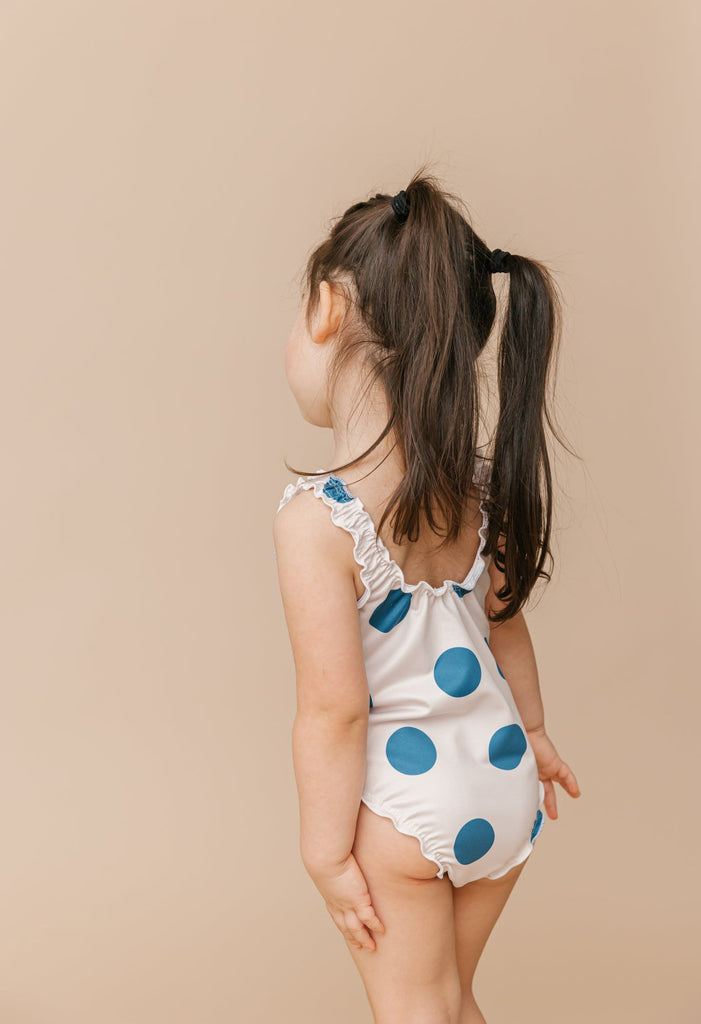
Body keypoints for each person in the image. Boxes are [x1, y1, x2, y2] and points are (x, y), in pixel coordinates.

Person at [272, 166, 581, 1024]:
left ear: (327, 308)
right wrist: (534, 733)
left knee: (415, 1010)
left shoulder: (319, 520)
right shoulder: (476, 493)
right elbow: (504, 628)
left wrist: (324, 853)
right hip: (501, 782)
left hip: (406, 811)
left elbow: (333, 711)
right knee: (449, 1001)